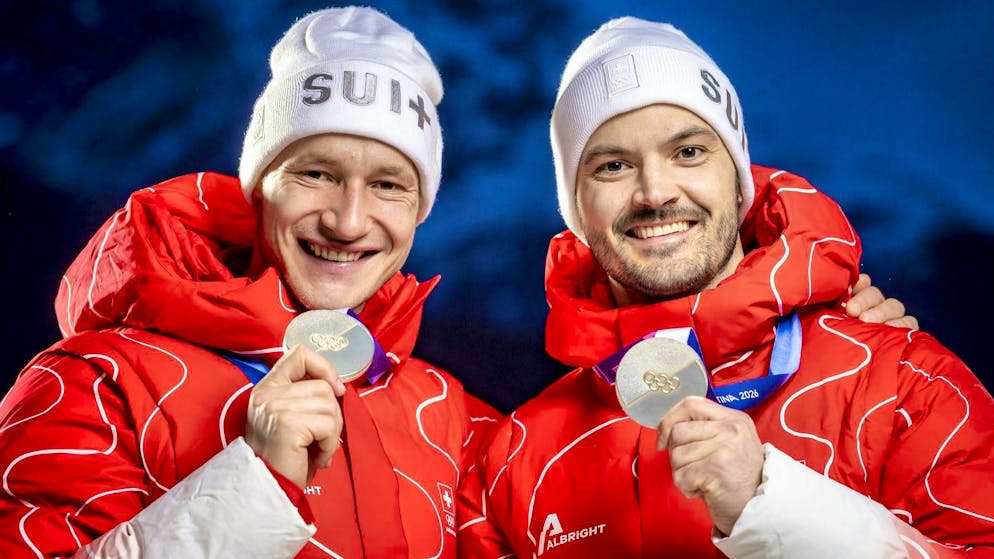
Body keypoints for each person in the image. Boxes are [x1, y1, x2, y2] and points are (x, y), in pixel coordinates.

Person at [458, 17, 994, 558]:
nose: (656, 192)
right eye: (613, 166)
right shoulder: (514, 463)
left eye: (688, 152)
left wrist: (775, 509)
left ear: (738, 181)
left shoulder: (901, 382)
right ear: (577, 211)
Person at [0, 7, 501, 558]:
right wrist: (253, 489)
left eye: (388, 185)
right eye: (316, 174)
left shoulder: (446, 414)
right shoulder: (96, 384)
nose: (349, 221)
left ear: (419, 211)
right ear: (260, 187)